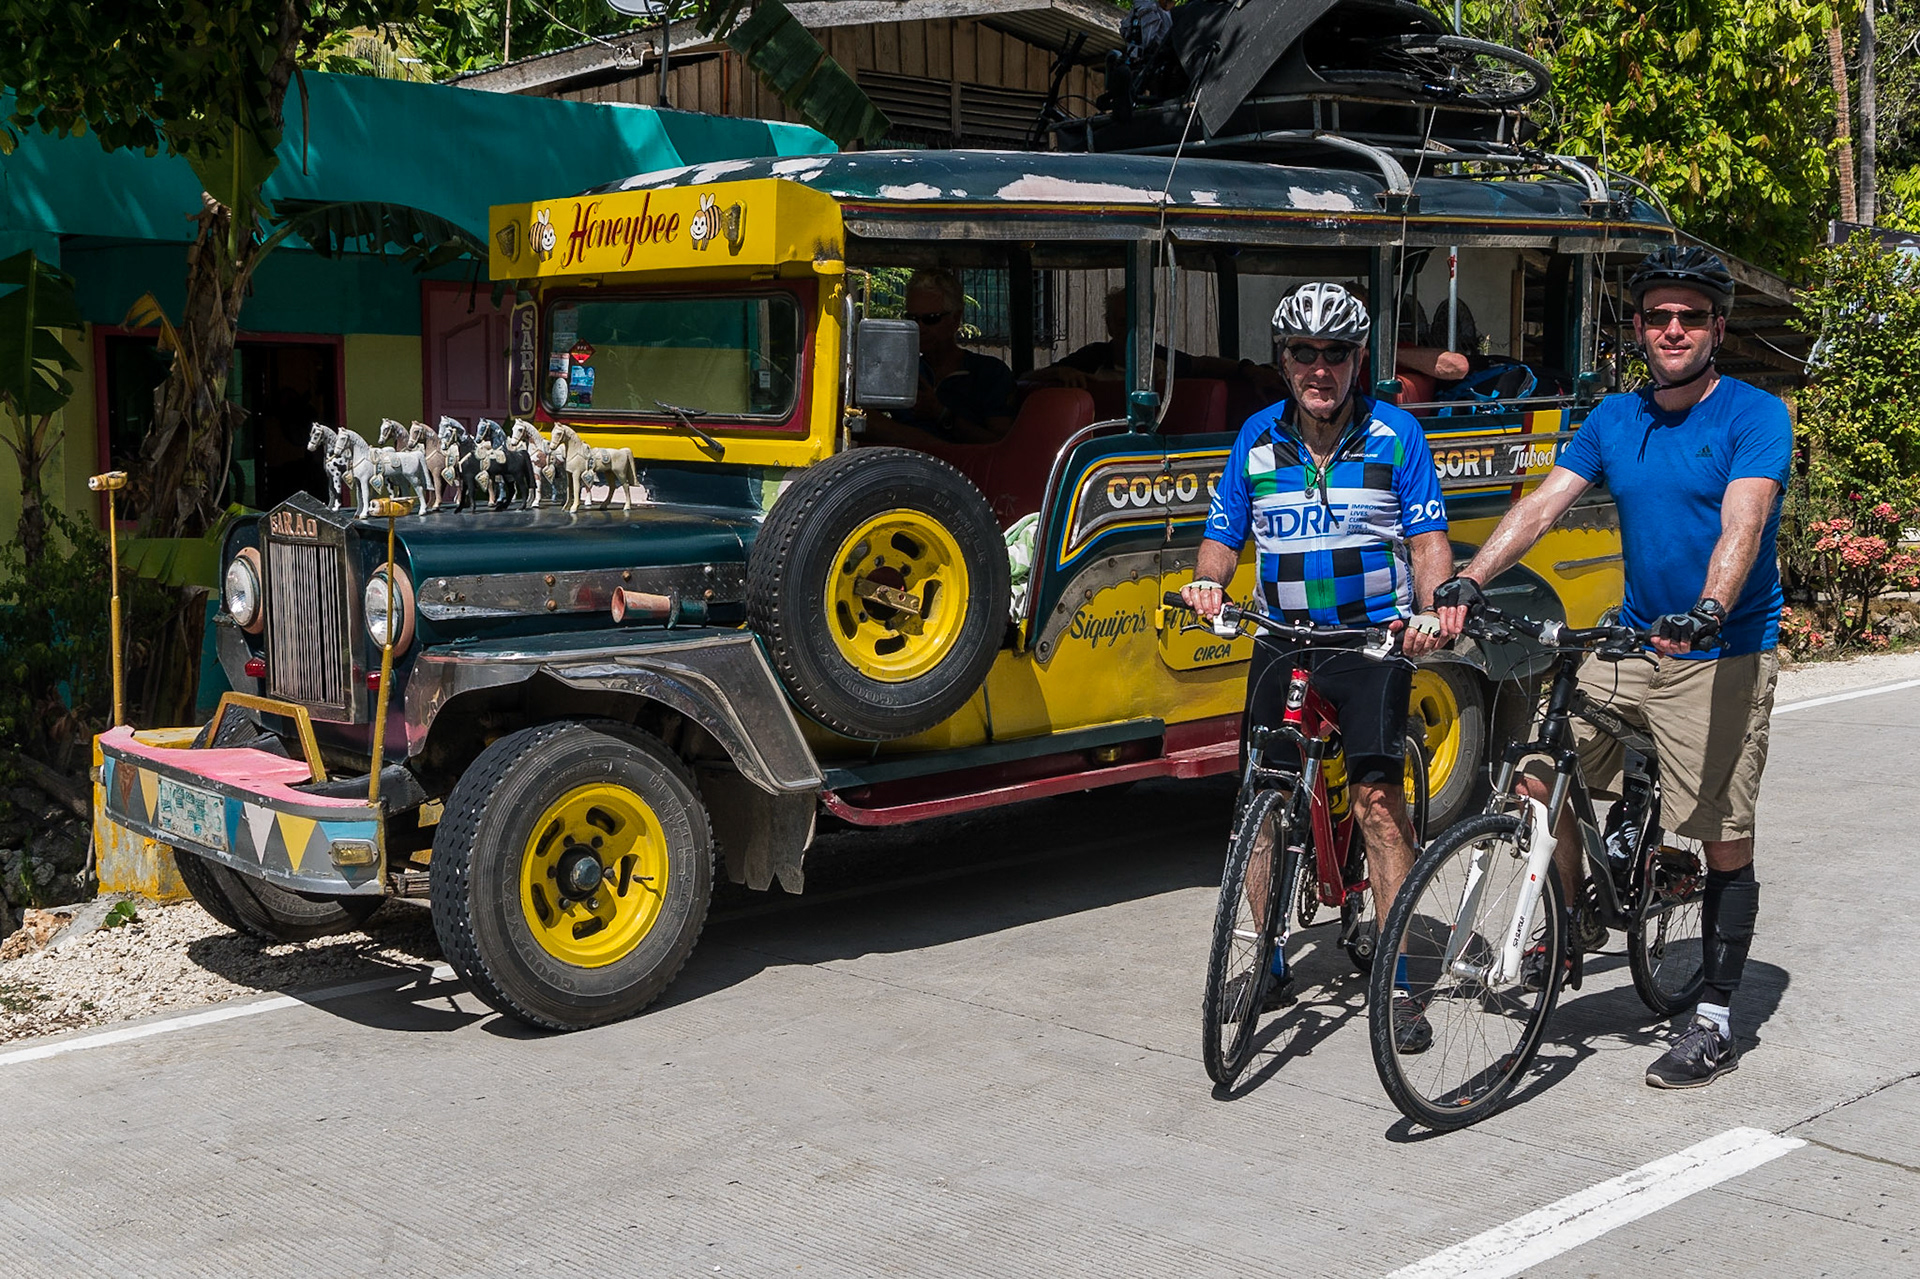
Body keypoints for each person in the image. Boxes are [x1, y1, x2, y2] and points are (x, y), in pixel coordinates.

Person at [1432, 245, 1792, 1090]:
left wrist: (1709, 606)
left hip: (1719, 650)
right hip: (1634, 641)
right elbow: (1545, 501)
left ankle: (1712, 1018)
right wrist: (1469, 576)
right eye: (1659, 316)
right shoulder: (1614, 418)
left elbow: (1743, 522)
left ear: (1715, 329)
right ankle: (1564, 922)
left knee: (1722, 837)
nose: (1673, 329)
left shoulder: (1753, 414)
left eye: (1690, 317)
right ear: (1639, 327)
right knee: (1534, 776)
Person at [1180, 281, 1453, 1051]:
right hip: (1281, 638)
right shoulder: (1256, 439)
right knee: (1262, 798)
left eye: (1336, 353)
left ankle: (1398, 982)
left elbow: (1429, 540)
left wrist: (1432, 610)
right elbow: (1223, 532)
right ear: (1284, 359)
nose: (1320, 368)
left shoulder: (1396, 435)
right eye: (1305, 352)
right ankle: (1266, 956)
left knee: (1373, 801)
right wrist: (1209, 580)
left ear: (1360, 358)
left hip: (1370, 642)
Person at [1027, 286, 1286, 399]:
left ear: (1150, 326)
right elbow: (1029, 378)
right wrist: (1060, 373)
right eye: (1120, 322)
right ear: (1108, 325)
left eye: (1136, 323)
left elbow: (1203, 365)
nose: (1127, 330)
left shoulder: (1161, 358)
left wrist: (1248, 370)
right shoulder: (1092, 357)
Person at [865, 268, 1016, 447]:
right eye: (912, 319)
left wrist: (941, 414)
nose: (920, 327)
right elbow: (852, 412)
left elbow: (1002, 445)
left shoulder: (989, 373)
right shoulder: (900, 370)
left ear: (955, 319)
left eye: (931, 319)